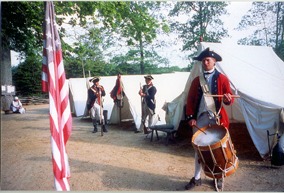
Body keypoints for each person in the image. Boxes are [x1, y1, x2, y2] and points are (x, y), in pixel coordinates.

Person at [185, 47, 234, 191]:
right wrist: (190, 118)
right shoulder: (196, 81)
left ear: (214, 62)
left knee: (219, 149)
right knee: (198, 149)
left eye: (208, 60)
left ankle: (218, 177)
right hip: (200, 119)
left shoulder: (222, 79)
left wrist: (227, 99)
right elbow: (191, 99)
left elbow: (229, 99)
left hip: (217, 118)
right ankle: (197, 177)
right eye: (203, 60)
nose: (205, 62)